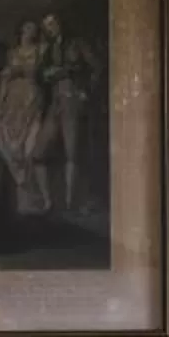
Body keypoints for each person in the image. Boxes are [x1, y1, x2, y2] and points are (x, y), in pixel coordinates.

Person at [0, 18, 54, 216]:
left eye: (33, 28)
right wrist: (0, 101)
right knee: (9, 146)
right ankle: (22, 199)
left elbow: (37, 73)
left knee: (30, 147)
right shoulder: (11, 53)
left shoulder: (41, 50)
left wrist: (22, 71)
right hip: (13, 103)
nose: (30, 31)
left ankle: (36, 197)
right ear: (21, 30)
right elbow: (4, 79)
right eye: (27, 28)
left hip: (31, 100)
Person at [43, 13, 96, 215]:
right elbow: (42, 72)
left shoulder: (76, 43)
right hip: (55, 102)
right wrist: (47, 74)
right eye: (47, 26)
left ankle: (70, 201)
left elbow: (95, 67)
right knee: (40, 151)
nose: (51, 28)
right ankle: (51, 200)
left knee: (72, 152)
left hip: (73, 100)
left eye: (53, 23)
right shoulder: (49, 48)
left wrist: (85, 91)